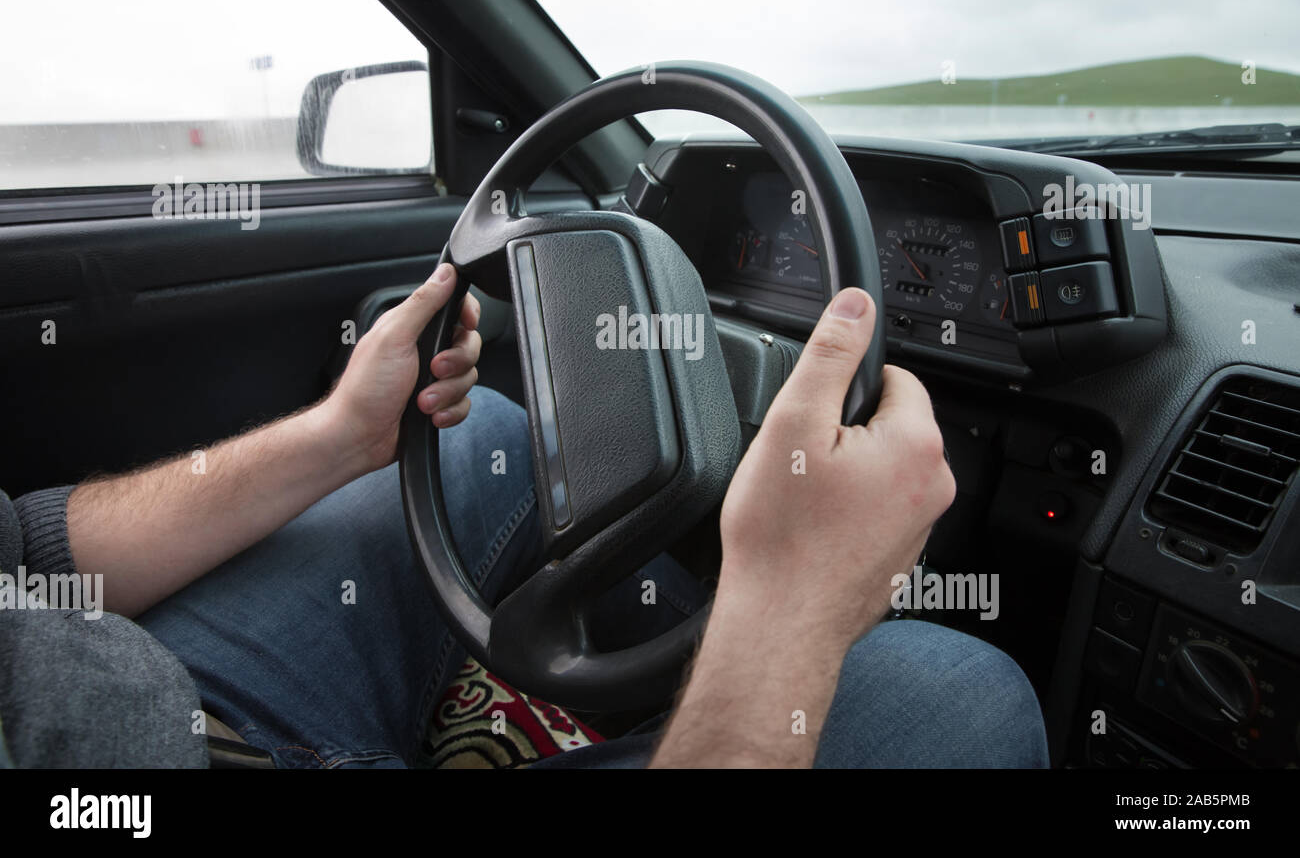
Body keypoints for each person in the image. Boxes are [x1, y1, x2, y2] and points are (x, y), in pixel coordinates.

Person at [0, 263, 1046, 768]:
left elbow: (27, 554)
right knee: (964, 689)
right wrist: (787, 606)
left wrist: (340, 435)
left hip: (122, 687)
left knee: (481, 428)